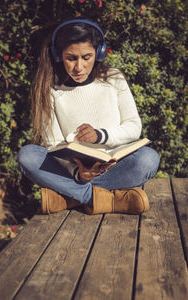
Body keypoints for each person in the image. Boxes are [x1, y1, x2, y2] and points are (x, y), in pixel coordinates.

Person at [17, 18, 160, 215]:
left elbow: (133, 126)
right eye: (71, 58)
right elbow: (53, 143)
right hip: (74, 172)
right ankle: (104, 200)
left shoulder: (114, 78)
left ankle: (70, 198)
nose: (79, 67)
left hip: (115, 168)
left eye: (86, 57)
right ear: (58, 56)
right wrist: (79, 173)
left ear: (99, 53)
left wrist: (100, 136)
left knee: (149, 158)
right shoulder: (50, 89)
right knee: (28, 156)